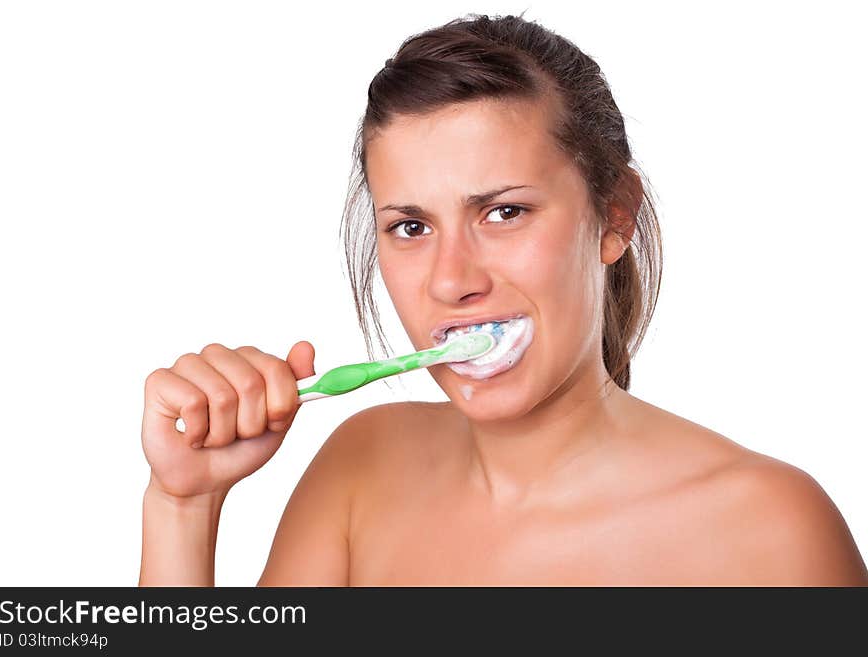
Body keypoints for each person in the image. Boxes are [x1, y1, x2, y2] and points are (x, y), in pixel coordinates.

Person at [139, 13, 868, 586]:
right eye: (412, 226)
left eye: (504, 212)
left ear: (614, 216)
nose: (452, 280)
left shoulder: (772, 531)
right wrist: (184, 507)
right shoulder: (359, 472)